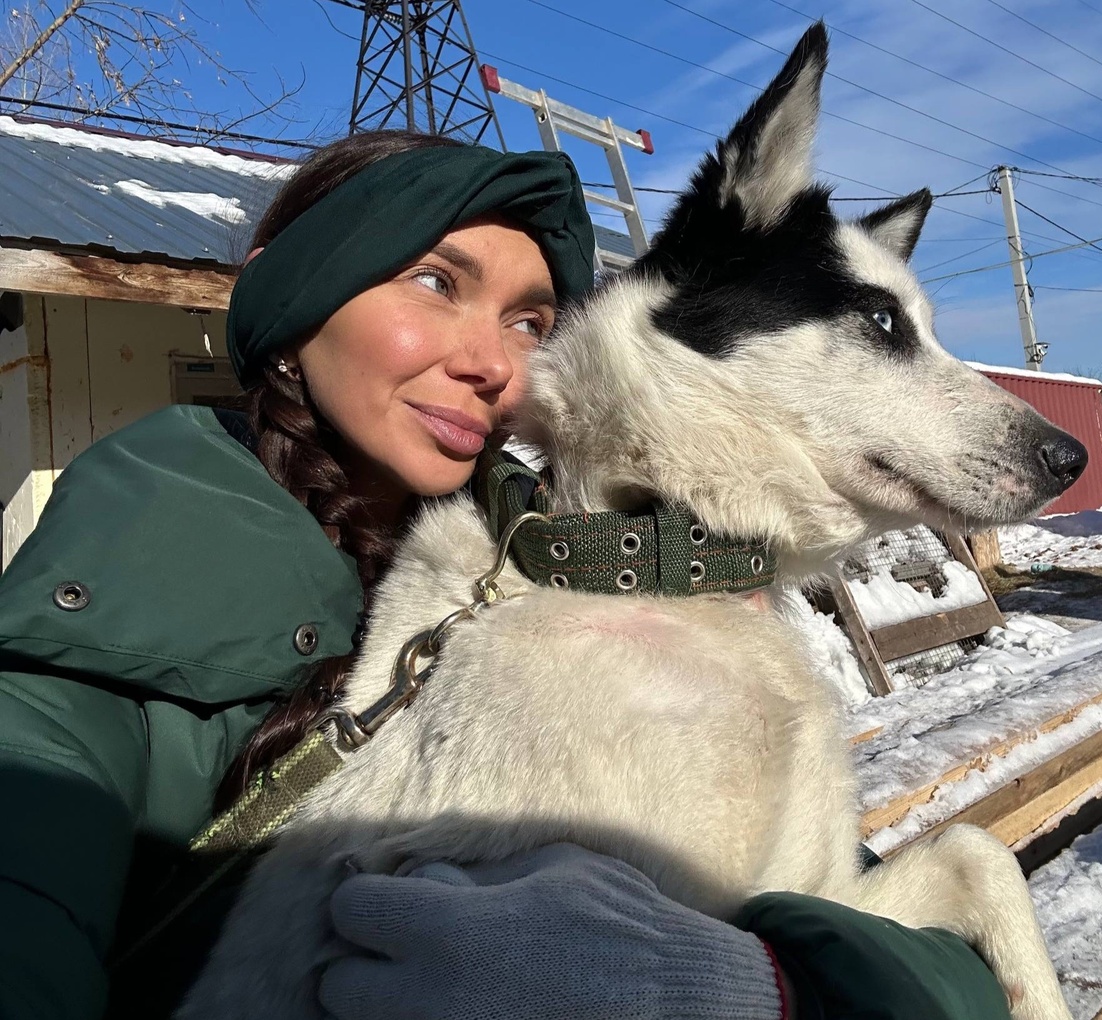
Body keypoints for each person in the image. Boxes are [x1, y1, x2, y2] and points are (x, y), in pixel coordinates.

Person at [0, 129, 1012, 1020]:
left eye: (532, 322)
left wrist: (763, 991)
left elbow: (921, 964)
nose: (495, 361)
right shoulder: (75, 669)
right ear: (292, 291)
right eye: (437, 283)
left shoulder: (578, 582)